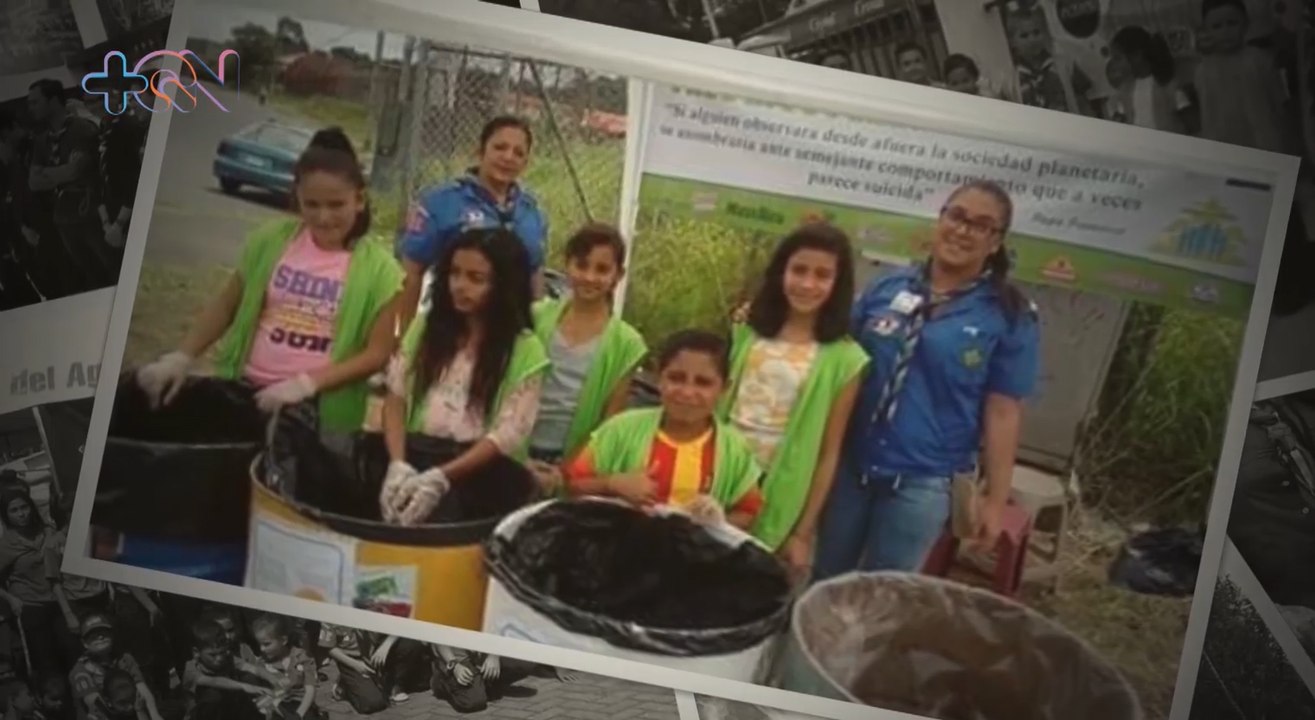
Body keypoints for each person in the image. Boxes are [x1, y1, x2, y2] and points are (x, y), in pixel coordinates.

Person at [812, 180, 1040, 579]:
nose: (963, 230)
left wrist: (995, 499)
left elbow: (1003, 411)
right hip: (853, 466)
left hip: (923, 483)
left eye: (981, 225)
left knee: (885, 597)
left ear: (996, 241)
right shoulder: (886, 287)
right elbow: (835, 351)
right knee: (823, 580)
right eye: (957, 216)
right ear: (941, 220)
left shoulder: (1007, 314)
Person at [133, 128, 402, 436]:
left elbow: (377, 354)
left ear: (359, 200)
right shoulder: (270, 241)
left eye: (336, 205)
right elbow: (226, 305)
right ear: (297, 199)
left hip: (316, 413)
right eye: (311, 205)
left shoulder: (382, 271)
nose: (324, 217)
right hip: (248, 394)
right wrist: (181, 357)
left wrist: (306, 384)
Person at [719, 224, 867, 579]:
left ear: (838, 284)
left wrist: (802, 533)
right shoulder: (747, 330)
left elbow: (829, 453)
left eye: (822, 275)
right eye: (799, 270)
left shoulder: (846, 359)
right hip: (721, 474)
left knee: (747, 585)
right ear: (781, 271)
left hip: (778, 492)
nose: (807, 284)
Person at [379, 227, 549, 527]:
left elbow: (507, 434)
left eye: (476, 278)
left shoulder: (526, 350)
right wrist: (397, 463)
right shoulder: (426, 328)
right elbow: (395, 396)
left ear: (504, 285)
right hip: (417, 458)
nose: (460, 286)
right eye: (454, 274)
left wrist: (442, 477)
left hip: (482, 481)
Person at [564, 330, 765, 529]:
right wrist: (613, 484)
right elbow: (572, 484)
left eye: (703, 383)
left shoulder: (734, 449)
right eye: (676, 378)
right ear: (659, 378)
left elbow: (748, 511)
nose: (687, 392)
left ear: (724, 389)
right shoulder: (621, 429)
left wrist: (716, 522)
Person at [396, 116, 548, 329]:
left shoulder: (532, 211)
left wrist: (536, 329)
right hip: (452, 325)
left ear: (526, 163)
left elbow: (535, 274)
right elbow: (411, 272)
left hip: (510, 330)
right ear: (480, 151)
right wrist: (402, 333)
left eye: (518, 153)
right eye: (500, 147)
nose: (508, 157)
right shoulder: (442, 202)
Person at [526, 223, 647, 489]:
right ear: (567, 264)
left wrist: (569, 471)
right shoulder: (536, 317)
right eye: (582, 265)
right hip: (519, 451)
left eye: (602, 269)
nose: (590, 277)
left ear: (618, 275)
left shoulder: (627, 344)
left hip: (573, 463)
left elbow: (610, 420)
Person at [25, 79, 112, 294]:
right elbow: (33, 182)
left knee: (111, 267)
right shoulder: (41, 140)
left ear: (53, 100)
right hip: (64, 216)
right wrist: (60, 172)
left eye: (36, 102)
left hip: (91, 211)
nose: (31, 108)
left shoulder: (82, 129)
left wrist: (47, 172)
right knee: (91, 275)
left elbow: (75, 170)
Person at [1192, 0, 1294, 152]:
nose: (1225, 31)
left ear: (1246, 23)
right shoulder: (1202, 71)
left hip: (1264, 146)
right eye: (1216, 26)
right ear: (1206, 30)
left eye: (1232, 23)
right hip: (1224, 150)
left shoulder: (1260, 60)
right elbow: (1206, 116)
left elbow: (1279, 104)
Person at [0, 489, 77, 679]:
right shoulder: (5, 545)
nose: (21, 514)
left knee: (73, 653)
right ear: (6, 515)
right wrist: (10, 599)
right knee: (47, 662)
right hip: (30, 606)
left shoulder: (47, 532)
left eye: (24, 507)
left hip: (59, 601)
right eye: (14, 510)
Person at [67, 614, 165, 720]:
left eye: (104, 632)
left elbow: (141, 688)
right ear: (85, 643)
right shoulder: (80, 670)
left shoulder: (125, 658)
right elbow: (95, 705)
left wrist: (154, 714)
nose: (100, 637)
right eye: (93, 635)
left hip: (130, 709)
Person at [1002, 7, 1097, 116]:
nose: (1032, 39)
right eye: (1024, 36)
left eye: (1036, 32)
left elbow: (1085, 98)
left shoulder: (1065, 64)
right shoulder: (1010, 81)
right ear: (1012, 42)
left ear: (1044, 33)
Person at [318, 625, 427, 714]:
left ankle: (394, 683)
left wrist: (386, 646)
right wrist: (356, 666)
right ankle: (345, 685)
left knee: (412, 643)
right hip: (352, 659)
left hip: (377, 650)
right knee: (373, 703)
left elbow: (400, 623)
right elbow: (330, 648)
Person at [1106, 26, 1194, 134]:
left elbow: (1191, 123)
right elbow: (1124, 119)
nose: (1114, 64)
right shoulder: (1125, 90)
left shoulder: (1167, 86)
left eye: (1118, 58)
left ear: (1137, 55)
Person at [181, 620, 272, 720]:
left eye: (222, 652)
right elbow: (213, 681)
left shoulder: (228, 658)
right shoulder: (191, 668)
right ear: (196, 652)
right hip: (203, 714)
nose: (219, 658)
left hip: (228, 707)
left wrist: (274, 679)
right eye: (213, 655)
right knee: (213, 695)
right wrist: (244, 686)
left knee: (249, 677)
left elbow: (253, 668)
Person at [250, 614, 321, 720]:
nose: (262, 649)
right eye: (259, 644)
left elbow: (310, 689)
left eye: (266, 644)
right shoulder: (262, 663)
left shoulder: (302, 657)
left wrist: (298, 715)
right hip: (278, 705)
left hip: (302, 704)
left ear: (283, 640)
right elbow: (265, 694)